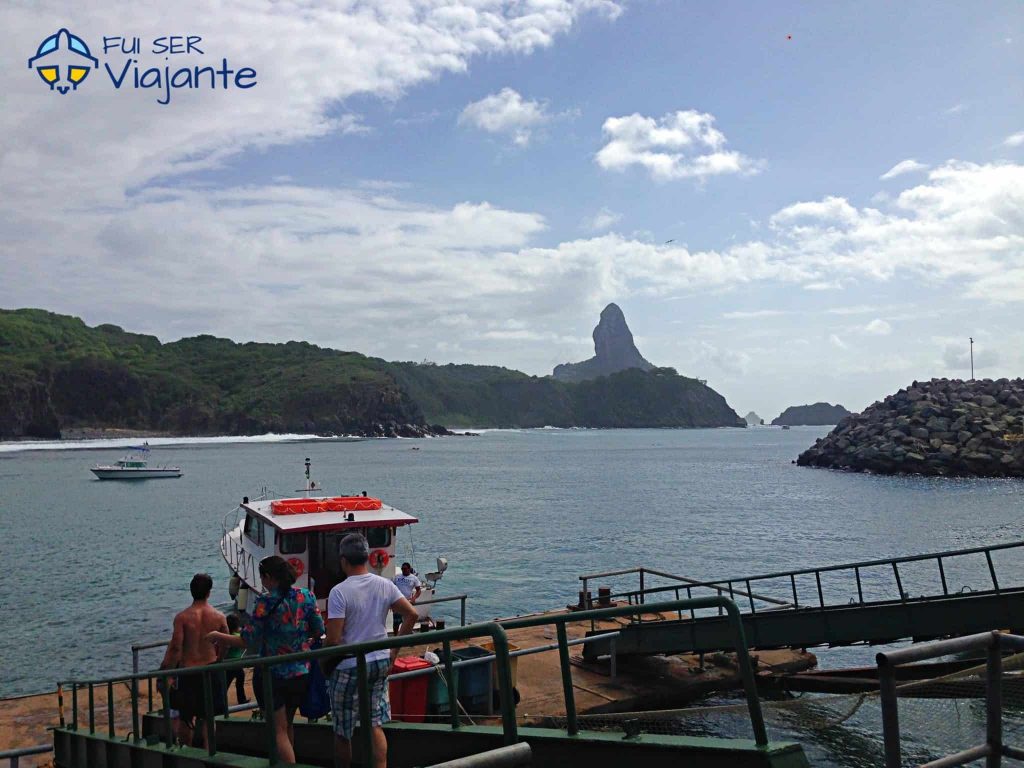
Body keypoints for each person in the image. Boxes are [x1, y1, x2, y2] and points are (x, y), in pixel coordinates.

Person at [208, 556, 324, 764]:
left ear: (269, 577)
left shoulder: (265, 602)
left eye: (262, 577)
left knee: (277, 730)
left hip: (274, 674)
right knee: (288, 725)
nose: (261, 581)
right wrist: (301, 638)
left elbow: (246, 640)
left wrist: (218, 637)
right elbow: (319, 629)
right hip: (301, 671)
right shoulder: (306, 596)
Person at [326, 534, 418, 768]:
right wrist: (393, 652)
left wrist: (322, 658)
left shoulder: (339, 592)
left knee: (342, 729)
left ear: (344, 560)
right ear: (367, 558)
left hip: (349, 665)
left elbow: (334, 639)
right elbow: (412, 615)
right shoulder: (384, 584)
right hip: (379, 660)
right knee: (373, 723)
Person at [159, 573, 229, 748]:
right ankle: (209, 752)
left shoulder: (182, 617)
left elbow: (176, 647)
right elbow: (226, 642)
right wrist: (219, 658)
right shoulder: (219, 616)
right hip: (211, 669)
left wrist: (167, 671)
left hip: (189, 671)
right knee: (208, 717)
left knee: (186, 718)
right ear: (209, 592)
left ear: (191, 592)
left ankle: (186, 751)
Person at [223, 614, 248, 705]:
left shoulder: (227, 636)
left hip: (228, 664)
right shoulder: (238, 636)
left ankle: (221, 700)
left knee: (225, 684)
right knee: (239, 683)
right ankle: (242, 700)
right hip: (237, 664)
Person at [392, 562, 422, 633]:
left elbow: (418, 590)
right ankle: (395, 638)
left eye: (405, 569)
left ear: (409, 569)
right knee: (396, 623)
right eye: (402, 569)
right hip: (397, 602)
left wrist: (414, 598)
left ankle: (407, 637)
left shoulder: (414, 578)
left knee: (407, 622)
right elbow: (392, 589)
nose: (403, 570)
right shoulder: (397, 577)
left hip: (408, 602)